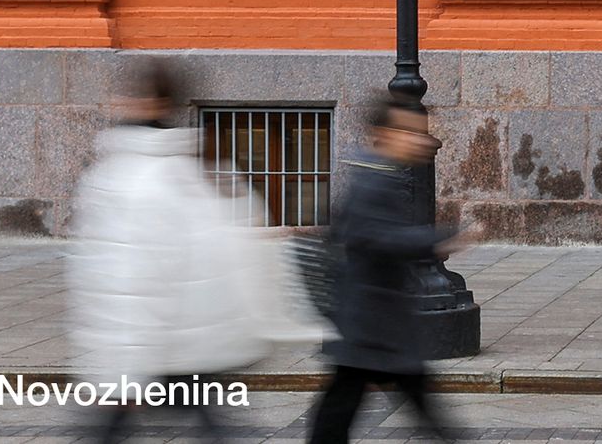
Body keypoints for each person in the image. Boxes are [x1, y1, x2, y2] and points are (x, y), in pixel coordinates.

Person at [69, 61, 317, 443]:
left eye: (128, 93)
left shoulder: (134, 177)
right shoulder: (192, 166)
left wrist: (124, 371)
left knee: (115, 430)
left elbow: (130, 282)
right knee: (210, 421)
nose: (117, 100)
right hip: (196, 341)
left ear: (151, 102)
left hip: (158, 344)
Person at [307, 97, 470, 444]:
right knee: (345, 410)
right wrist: (440, 239)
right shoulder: (375, 179)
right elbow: (377, 238)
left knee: (339, 410)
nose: (420, 141)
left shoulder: (378, 173)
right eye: (409, 133)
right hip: (373, 321)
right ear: (383, 134)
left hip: (371, 319)